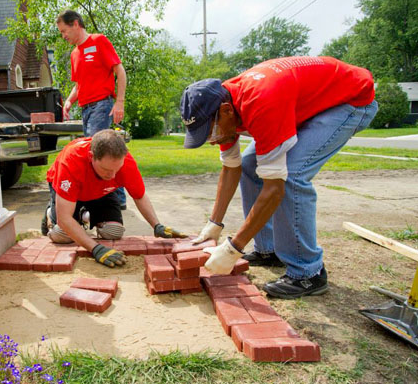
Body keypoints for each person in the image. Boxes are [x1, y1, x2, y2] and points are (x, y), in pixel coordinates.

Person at [180, 56, 378, 299]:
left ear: (226, 111)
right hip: (305, 103)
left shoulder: (260, 102)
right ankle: (268, 250)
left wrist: (233, 249)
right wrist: (214, 224)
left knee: (292, 174)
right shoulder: (221, 103)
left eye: (210, 132)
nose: (211, 139)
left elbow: (275, 189)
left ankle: (308, 273)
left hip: (348, 101)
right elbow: (232, 167)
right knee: (251, 164)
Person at [42, 129, 186, 268]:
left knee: (114, 232)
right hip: (72, 192)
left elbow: (139, 196)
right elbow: (64, 218)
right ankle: (50, 213)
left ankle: (84, 217)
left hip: (102, 192)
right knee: (62, 235)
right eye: (106, 170)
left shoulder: (125, 163)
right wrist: (95, 249)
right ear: (91, 157)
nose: (112, 176)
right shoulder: (71, 161)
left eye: (117, 169)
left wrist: (157, 225)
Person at [56, 9, 128, 209]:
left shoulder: (99, 41)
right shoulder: (74, 54)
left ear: (76, 24)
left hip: (101, 105)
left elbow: (119, 71)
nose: (63, 36)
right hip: (85, 109)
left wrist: (119, 102)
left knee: (98, 152)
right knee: (100, 151)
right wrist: (69, 101)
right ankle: (110, 195)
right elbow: (79, 84)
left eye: (64, 31)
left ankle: (113, 199)